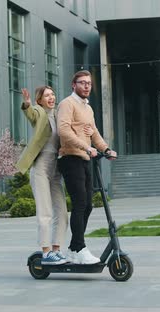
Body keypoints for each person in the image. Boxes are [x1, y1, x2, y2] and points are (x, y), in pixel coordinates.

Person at [16, 86, 90, 265]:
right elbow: (31, 114)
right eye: (46, 95)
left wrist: (87, 132)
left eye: (52, 94)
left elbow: (72, 130)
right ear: (40, 100)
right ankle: (46, 252)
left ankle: (57, 250)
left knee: (62, 213)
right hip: (41, 168)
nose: (51, 97)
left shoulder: (59, 115)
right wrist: (27, 104)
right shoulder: (40, 113)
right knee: (45, 212)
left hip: (55, 170)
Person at [57, 70, 117, 264]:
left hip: (84, 159)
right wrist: (87, 147)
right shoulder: (67, 104)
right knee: (80, 203)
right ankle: (79, 248)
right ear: (73, 85)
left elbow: (94, 132)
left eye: (89, 83)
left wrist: (106, 149)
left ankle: (74, 248)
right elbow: (64, 131)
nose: (86, 86)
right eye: (82, 83)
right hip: (70, 158)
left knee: (88, 206)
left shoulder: (88, 108)